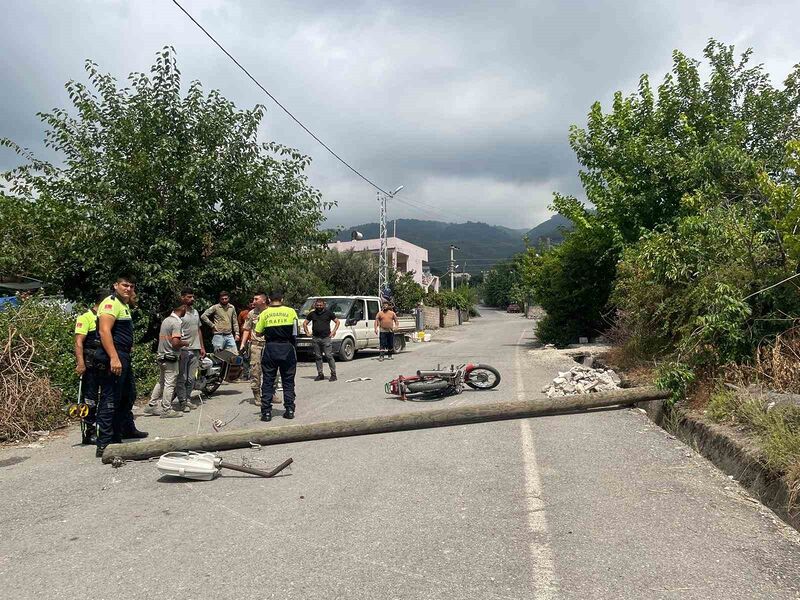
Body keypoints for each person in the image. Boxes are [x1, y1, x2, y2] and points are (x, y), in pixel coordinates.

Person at [95, 275, 148, 458]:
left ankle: (118, 436)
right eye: (125, 285)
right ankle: (104, 444)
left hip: (123, 355)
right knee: (110, 399)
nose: (128, 288)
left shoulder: (123, 305)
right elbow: (104, 331)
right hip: (113, 356)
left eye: (131, 286)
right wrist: (114, 357)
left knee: (128, 395)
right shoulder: (110, 304)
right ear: (115, 285)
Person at [254, 290, 298, 422]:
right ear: (282, 299)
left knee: (268, 380)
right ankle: (289, 410)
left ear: (269, 300)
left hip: (271, 349)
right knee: (288, 381)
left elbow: (258, 332)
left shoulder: (265, 313)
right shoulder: (291, 312)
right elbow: (296, 332)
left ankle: (266, 413)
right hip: (287, 348)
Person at [143, 302, 187, 418]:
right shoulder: (176, 322)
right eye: (185, 308)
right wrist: (185, 343)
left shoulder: (166, 320)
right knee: (170, 383)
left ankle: (152, 405)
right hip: (170, 357)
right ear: (182, 308)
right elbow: (175, 342)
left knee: (161, 382)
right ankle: (166, 409)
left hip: (161, 356)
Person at [73, 292, 105, 445]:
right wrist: (80, 363)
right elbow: (78, 342)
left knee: (106, 396)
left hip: (104, 362)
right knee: (89, 398)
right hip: (90, 363)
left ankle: (105, 428)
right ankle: (89, 431)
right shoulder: (85, 317)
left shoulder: (106, 317)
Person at [176, 288, 206, 410]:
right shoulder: (178, 313)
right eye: (189, 297)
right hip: (183, 350)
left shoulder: (195, 312)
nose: (192, 299)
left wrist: (202, 346)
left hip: (195, 349)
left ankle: (188, 399)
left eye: (193, 297)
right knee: (182, 377)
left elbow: (198, 329)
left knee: (191, 378)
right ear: (182, 297)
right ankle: (182, 401)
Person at [240, 293, 268, 404]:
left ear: (264, 300)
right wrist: (243, 343)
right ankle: (257, 395)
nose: (254, 301)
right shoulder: (251, 313)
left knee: (271, 370)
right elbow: (247, 329)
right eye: (253, 299)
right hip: (256, 345)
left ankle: (270, 392)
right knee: (255, 370)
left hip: (269, 344)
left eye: (256, 299)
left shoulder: (270, 312)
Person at [303, 298, 340, 381]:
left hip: (326, 338)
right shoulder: (312, 314)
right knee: (318, 357)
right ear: (315, 305)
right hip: (316, 338)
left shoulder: (329, 313)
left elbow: (337, 322)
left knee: (329, 356)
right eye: (317, 305)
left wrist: (333, 331)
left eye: (320, 305)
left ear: (324, 305)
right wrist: (307, 332)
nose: (319, 306)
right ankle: (320, 374)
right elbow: (305, 323)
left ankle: (333, 374)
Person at [238, 301, 254, 380]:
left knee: (253, 358)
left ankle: (253, 375)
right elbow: (239, 324)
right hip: (245, 339)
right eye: (250, 303)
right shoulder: (243, 313)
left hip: (254, 339)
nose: (251, 304)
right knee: (245, 357)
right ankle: (245, 374)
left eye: (253, 302)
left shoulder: (260, 312)